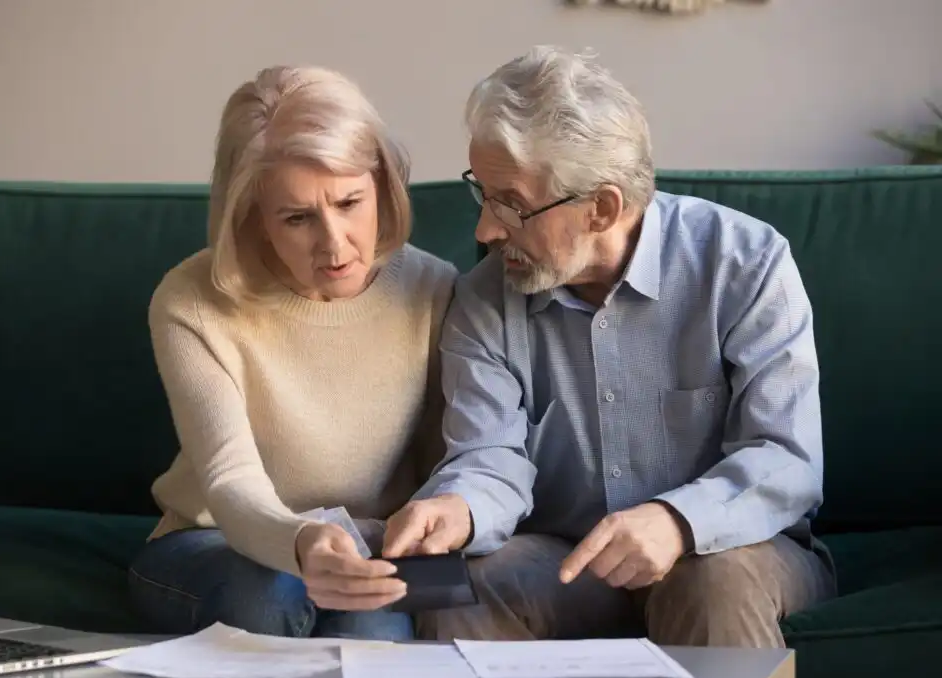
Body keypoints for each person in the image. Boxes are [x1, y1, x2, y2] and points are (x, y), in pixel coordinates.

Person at [381, 45, 836, 647]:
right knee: (453, 583)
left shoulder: (745, 264)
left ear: (602, 207)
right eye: (482, 194)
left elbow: (786, 456)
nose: (485, 231)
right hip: (567, 561)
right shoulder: (485, 297)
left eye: (511, 205)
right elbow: (488, 455)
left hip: (734, 549)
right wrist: (460, 509)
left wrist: (677, 521)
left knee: (708, 580)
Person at [127, 65, 457, 641]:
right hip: (213, 542)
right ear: (251, 216)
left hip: (373, 547)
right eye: (297, 217)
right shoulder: (191, 301)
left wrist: (391, 546)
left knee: (377, 633)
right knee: (271, 594)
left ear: (382, 182)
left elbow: (450, 464)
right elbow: (230, 481)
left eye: (350, 202)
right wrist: (301, 542)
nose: (334, 244)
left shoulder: (435, 289)